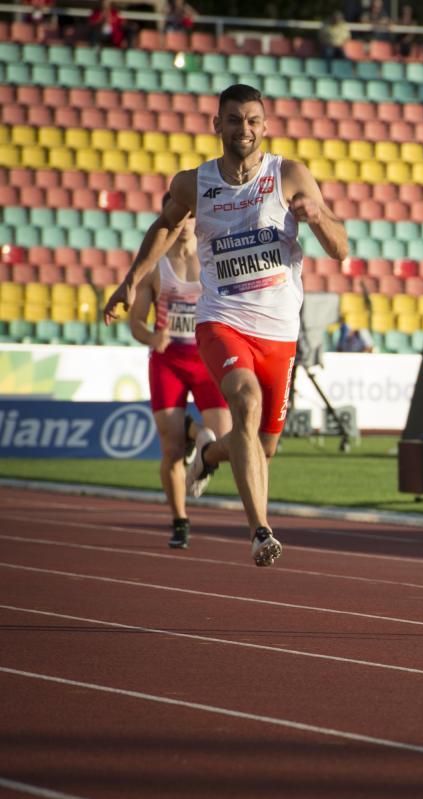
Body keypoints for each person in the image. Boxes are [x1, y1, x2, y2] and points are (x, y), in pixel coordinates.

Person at [104, 84, 349, 567]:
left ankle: (209, 456)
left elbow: (341, 248)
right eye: (234, 120)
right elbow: (165, 226)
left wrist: (317, 216)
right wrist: (131, 280)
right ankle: (261, 531)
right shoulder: (195, 183)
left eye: (253, 120)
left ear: (265, 125)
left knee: (263, 446)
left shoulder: (289, 174)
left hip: (279, 331)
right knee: (245, 400)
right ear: (217, 125)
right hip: (221, 320)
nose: (245, 129)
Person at [129, 193, 232, 549]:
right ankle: (180, 520)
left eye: (192, 217)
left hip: (206, 358)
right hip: (169, 360)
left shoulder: (212, 260)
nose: (186, 224)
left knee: (225, 440)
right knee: (171, 447)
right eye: (180, 217)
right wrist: (150, 336)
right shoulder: (155, 264)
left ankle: (200, 444)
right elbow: (135, 322)